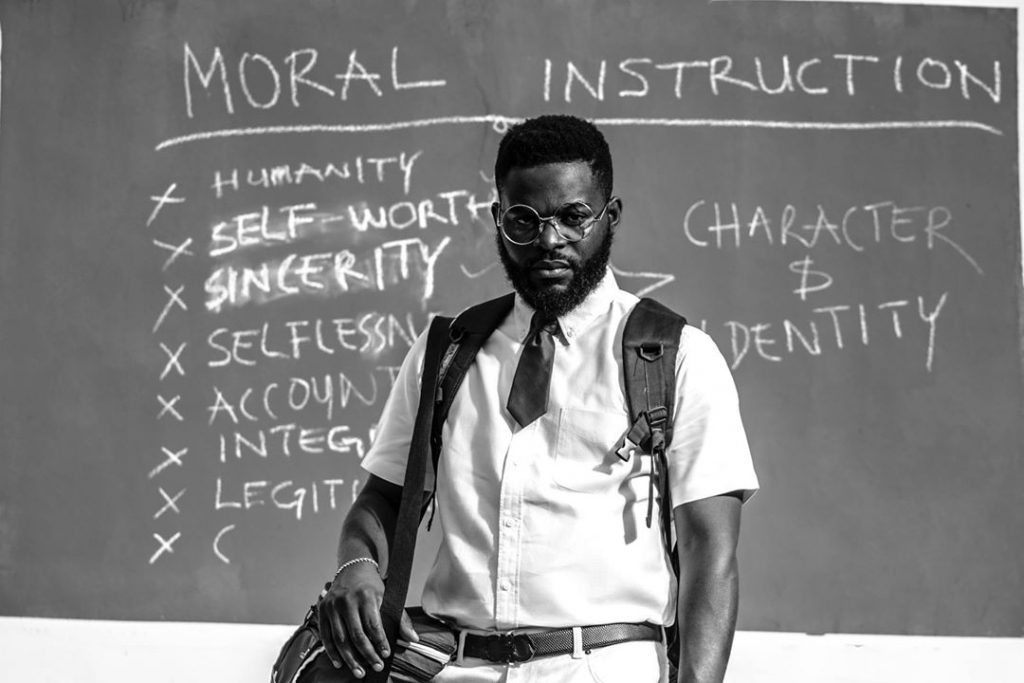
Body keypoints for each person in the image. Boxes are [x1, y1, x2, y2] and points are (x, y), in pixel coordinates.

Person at [318, 114, 759, 682]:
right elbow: (381, 497)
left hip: (602, 666)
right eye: (524, 220)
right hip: (455, 668)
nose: (550, 241)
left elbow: (709, 551)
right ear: (498, 218)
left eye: (573, 217)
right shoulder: (446, 352)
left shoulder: (675, 356)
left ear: (610, 216)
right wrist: (357, 567)